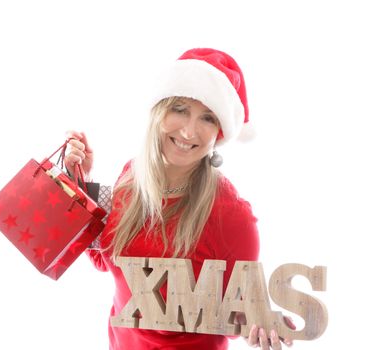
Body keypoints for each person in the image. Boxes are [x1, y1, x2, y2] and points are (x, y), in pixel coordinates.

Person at [64, 48, 294, 350]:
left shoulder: (232, 216)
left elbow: (236, 312)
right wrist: (78, 182)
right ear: (160, 112)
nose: (188, 130)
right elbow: (105, 258)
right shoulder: (131, 177)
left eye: (208, 118)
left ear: (219, 133)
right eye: (180, 109)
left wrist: (264, 324)